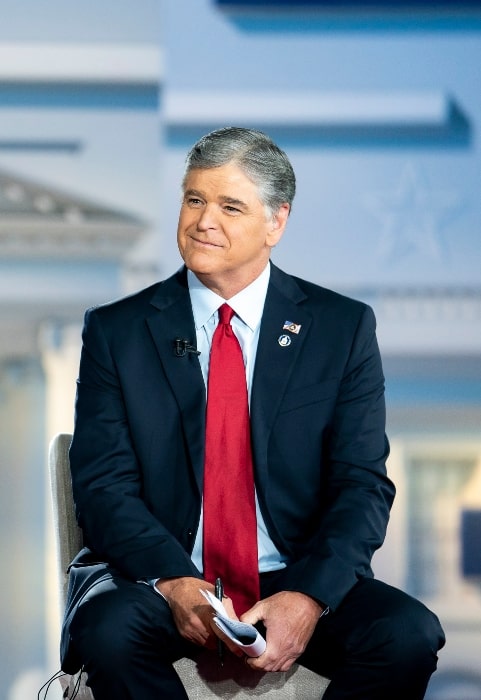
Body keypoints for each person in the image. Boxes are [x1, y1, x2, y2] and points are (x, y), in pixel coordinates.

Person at [61, 126, 445, 699]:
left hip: (292, 570)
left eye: (229, 206)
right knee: (109, 633)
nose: (203, 221)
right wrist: (173, 582)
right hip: (165, 573)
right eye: (194, 200)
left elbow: (361, 484)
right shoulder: (118, 330)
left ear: (276, 222)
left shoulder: (341, 328)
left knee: (409, 634)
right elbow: (103, 484)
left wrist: (310, 596)